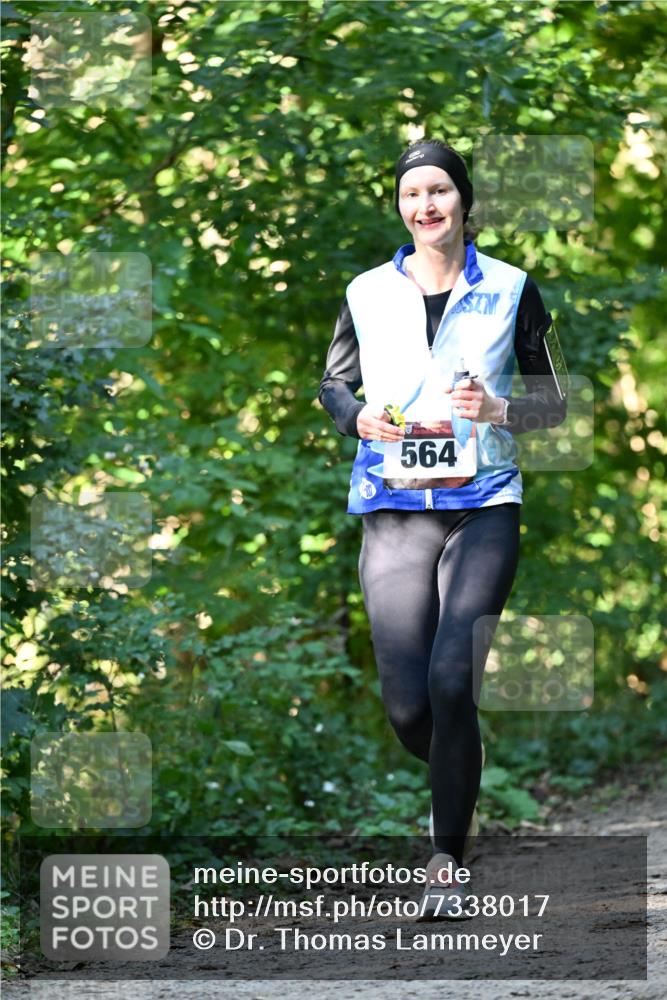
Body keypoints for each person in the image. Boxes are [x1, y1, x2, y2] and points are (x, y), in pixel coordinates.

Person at [319, 138, 568, 920]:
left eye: (439, 191)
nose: (425, 205)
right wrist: (356, 417)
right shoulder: (365, 291)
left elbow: (552, 402)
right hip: (393, 508)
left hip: (482, 503)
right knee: (408, 709)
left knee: (452, 680)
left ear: (463, 199)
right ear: (400, 207)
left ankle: (444, 864)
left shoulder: (512, 287)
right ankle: (460, 766)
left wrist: (499, 410)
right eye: (410, 194)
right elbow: (333, 383)